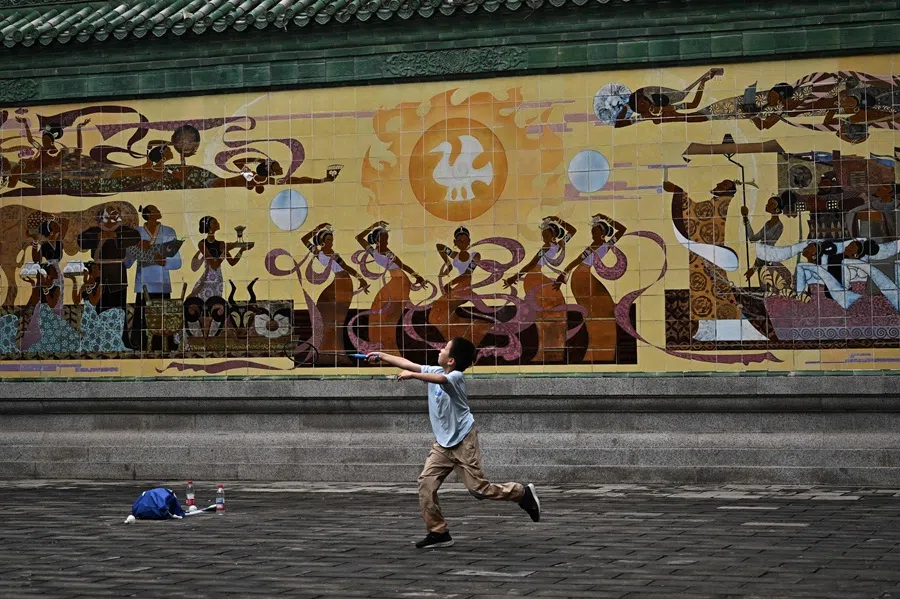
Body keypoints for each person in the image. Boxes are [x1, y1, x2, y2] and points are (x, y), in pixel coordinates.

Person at [366, 337, 541, 549]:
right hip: (443, 444)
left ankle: (521, 493)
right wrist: (382, 356)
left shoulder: (455, 377)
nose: (440, 349)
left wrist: (413, 375)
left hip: (463, 440)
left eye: (445, 348)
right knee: (426, 485)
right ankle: (438, 532)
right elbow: (407, 363)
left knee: (478, 490)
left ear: (451, 361)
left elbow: (437, 380)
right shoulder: (435, 370)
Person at [125, 205, 183, 351]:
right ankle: (141, 346)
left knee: (164, 318)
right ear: (149, 215)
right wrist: (134, 248)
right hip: (143, 284)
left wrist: (165, 261)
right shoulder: (137, 233)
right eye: (154, 210)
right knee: (143, 319)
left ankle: (166, 346)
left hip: (162, 283)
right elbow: (127, 262)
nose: (158, 211)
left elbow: (177, 262)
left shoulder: (169, 231)